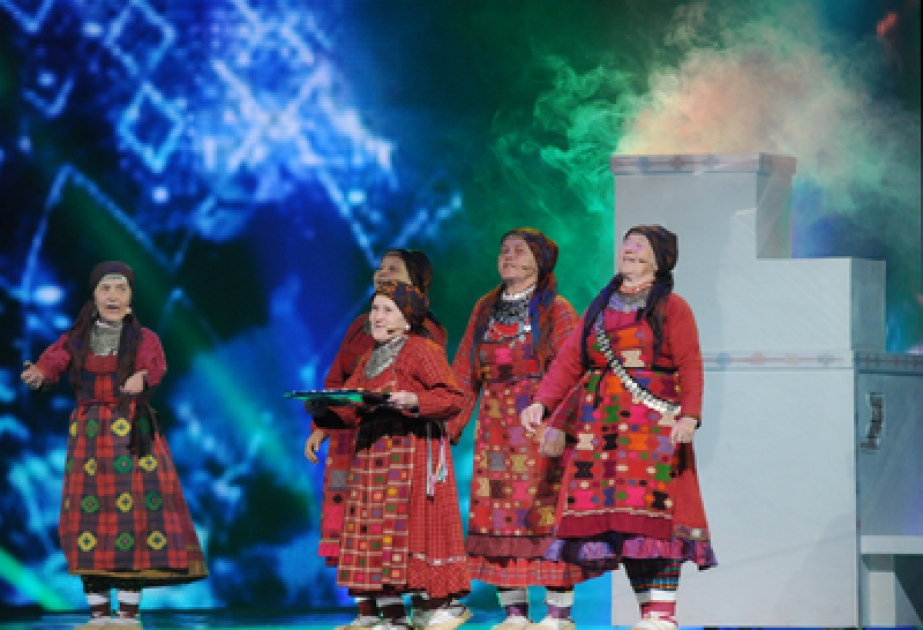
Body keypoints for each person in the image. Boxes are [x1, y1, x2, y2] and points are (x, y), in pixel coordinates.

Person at [521, 226, 717, 630]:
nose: (629, 249)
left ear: (659, 260)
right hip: (601, 428)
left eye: (640, 245)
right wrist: (542, 402)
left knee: (653, 519)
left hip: (652, 426)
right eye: (627, 243)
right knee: (620, 523)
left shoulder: (672, 307)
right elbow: (570, 362)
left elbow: (690, 364)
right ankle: (648, 612)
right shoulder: (600, 306)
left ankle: (661, 615)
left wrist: (690, 415)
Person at [20, 261, 207, 629]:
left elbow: (155, 366)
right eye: (106, 288)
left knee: (130, 522)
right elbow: (53, 362)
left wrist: (141, 377)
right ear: (94, 295)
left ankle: (127, 617)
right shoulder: (75, 338)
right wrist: (39, 374)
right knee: (87, 521)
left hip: (130, 434)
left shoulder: (143, 338)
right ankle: (98, 616)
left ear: (131, 298)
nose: (113, 296)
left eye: (121, 289)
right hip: (89, 439)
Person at [447, 228, 595, 630]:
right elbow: (464, 372)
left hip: (539, 430)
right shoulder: (484, 308)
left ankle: (558, 615)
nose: (508, 257)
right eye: (503, 250)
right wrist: (450, 428)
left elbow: (574, 373)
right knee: (497, 519)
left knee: (544, 519)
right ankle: (515, 613)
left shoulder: (556, 309)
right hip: (494, 431)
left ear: (539, 261)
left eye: (519, 251)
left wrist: (561, 426)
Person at [309, 280, 472, 630]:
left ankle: (434, 608)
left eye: (387, 310)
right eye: (375, 309)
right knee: (374, 535)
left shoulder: (420, 349)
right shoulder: (370, 357)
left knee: (404, 532)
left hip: (407, 454)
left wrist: (415, 400)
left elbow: (453, 398)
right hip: (372, 456)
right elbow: (354, 408)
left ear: (407, 317)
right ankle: (394, 619)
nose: (377, 317)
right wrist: (323, 412)